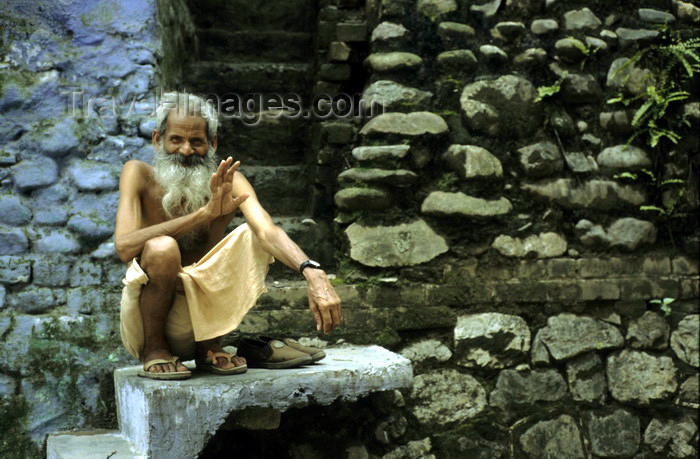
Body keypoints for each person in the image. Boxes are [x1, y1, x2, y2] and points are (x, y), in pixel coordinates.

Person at [114, 92, 341, 379]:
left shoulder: (230, 182)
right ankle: (156, 350)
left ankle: (209, 347)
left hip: (207, 319)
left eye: (197, 141)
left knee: (252, 235)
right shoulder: (137, 173)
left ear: (213, 144)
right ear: (158, 139)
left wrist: (312, 272)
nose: (185, 151)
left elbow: (267, 231)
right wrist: (203, 215)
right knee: (161, 248)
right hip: (149, 320)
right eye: (176, 140)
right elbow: (124, 247)